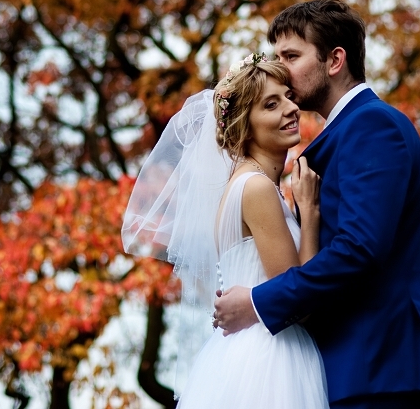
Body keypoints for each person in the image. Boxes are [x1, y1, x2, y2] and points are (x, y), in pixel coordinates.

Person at [213, 0, 420, 409]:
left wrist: (257, 302)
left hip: (377, 366)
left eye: (291, 56)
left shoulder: (372, 125)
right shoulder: (337, 137)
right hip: (346, 369)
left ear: (334, 60)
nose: (282, 69)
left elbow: (361, 248)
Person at [122, 54, 329, 409]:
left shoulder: (244, 186)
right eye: (271, 104)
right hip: (272, 359)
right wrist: (309, 215)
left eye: (288, 97)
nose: (291, 109)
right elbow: (299, 299)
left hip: (243, 353)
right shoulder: (257, 189)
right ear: (245, 127)